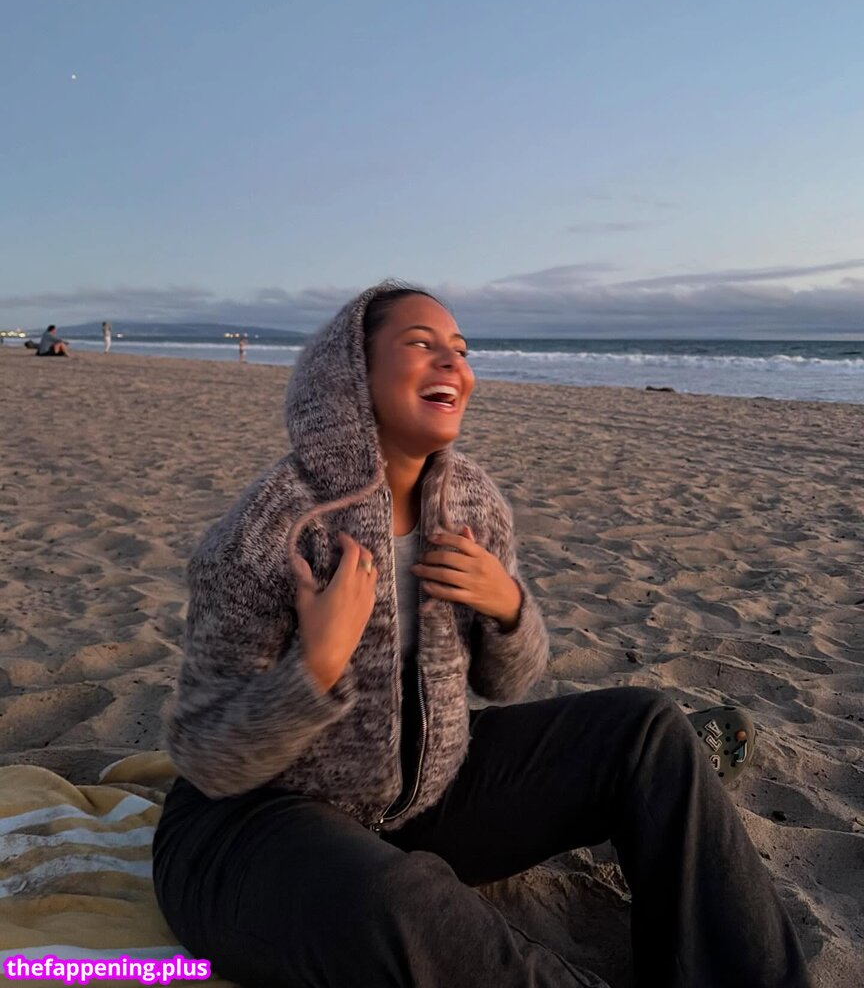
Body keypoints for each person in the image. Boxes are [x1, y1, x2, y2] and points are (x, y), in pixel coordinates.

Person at [153, 281, 812, 988]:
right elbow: (206, 753)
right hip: (250, 825)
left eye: (461, 350)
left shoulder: (471, 504)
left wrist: (508, 609)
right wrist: (314, 669)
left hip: (416, 798)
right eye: (421, 344)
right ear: (351, 374)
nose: (452, 363)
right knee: (400, 904)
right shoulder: (268, 531)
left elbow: (504, 683)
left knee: (645, 731)